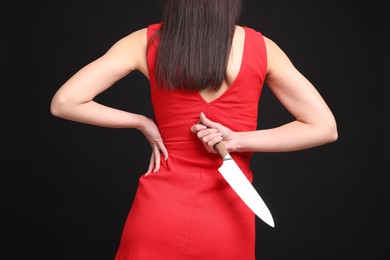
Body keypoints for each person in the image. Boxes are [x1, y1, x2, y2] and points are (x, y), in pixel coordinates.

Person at [50, 0, 338, 259]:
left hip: (158, 214)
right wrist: (237, 140)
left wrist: (141, 122)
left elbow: (64, 102)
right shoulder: (263, 49)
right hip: (227, 220)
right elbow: (324, 127)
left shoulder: (144, 42)